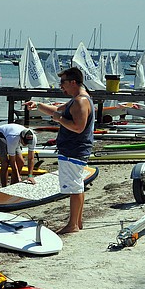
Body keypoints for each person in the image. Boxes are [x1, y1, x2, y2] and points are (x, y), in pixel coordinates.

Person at [25, 67, 94, 234]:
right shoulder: (78, 99)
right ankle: (77, 221)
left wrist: (59, 119)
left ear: (73, 82)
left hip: (74, 150)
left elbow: (78, 127)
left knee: (74, 187)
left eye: (62, 82)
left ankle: (73, 225)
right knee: (77, 186)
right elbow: (57, 110)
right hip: (74, 149)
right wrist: (38, 105)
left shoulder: (80, 101)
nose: (60, 86)